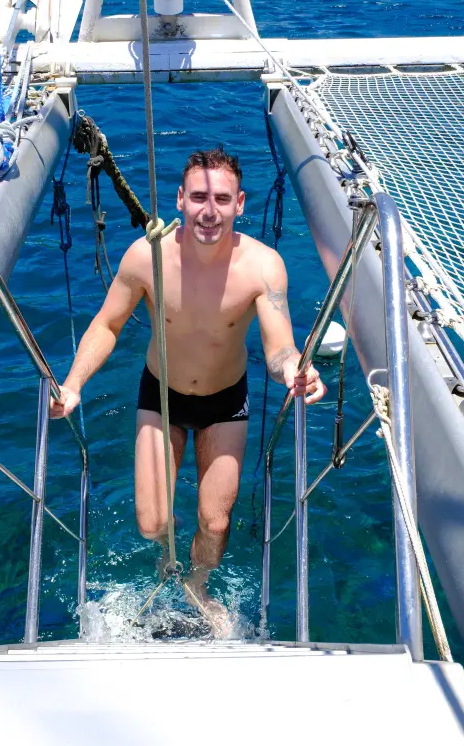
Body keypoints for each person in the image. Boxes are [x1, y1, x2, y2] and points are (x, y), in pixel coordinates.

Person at [51, 147, 325, 632]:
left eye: (222, 199)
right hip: (162, 396)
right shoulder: (146, 256)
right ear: (180, 199)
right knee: (152, 523)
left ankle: (196, 582)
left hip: (226, 400)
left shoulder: (263, 266)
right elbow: (108, 324)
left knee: (215, 523)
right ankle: (168, 556)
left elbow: (279, 343)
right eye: (199, 197)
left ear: (240, 203)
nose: (209, 211)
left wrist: (295, 370)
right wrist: (72, 385)